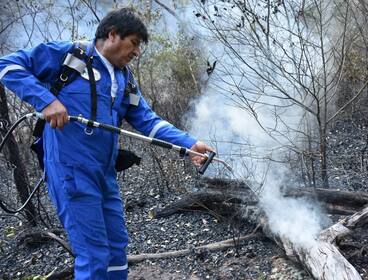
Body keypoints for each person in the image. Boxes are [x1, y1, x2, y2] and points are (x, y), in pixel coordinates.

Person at [0, 7, 213, 279]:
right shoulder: (70, 56)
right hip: (71, 172)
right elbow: (7, 65)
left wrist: (189, 143)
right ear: (112, 34)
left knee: (116, 247)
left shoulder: (124, 79)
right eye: (134, 43)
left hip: (105, 174)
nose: (137, 53)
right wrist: (48, 101)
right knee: (93, 252)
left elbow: (147, 120)